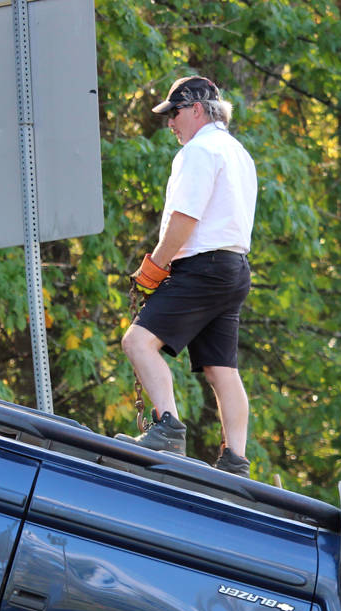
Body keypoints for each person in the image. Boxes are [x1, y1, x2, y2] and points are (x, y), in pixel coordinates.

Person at [116, 76, 257, 478]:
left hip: (203, 266)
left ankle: (167, 430)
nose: (170, 123)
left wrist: (155, 267)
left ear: (197, 109)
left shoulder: (199, 151)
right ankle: (236, 461)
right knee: (220, 368)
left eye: (174, 113)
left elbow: (185, 220)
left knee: (138, 341)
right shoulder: (238, 153)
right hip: (234, 269)